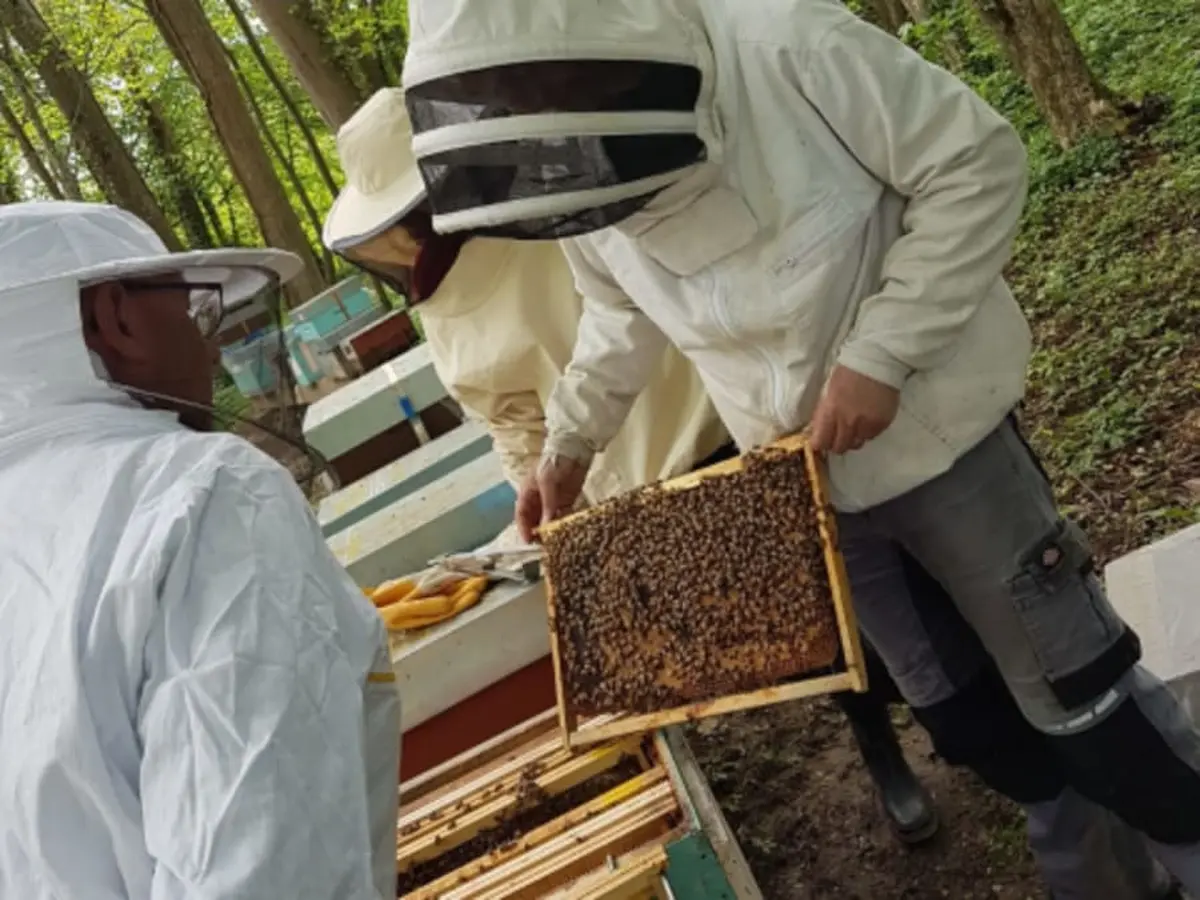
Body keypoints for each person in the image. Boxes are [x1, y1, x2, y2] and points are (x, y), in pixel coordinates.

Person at [396, 0, 1199, 897]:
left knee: (1080, 693)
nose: (531, 100)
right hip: (803, 484)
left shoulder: (788, 41)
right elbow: (620, 313)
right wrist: (571, 443)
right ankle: (1105, 878)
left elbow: (977, 162)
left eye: (538, 80)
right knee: (964, 717)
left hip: (945, 441)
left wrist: (881, 354)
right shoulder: (571, 163)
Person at [323, 87, 939, 844]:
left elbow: (643, 303)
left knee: (848, 582)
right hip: (619, 487)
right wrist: (535, 493)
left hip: (717, 423)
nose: (416, 229)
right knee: (786, 629)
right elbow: (507, 415)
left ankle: (945, 699)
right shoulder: (443, 310)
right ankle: (886, 744)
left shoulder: (557, 205)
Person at [0, 201, 401, 899]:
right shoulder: (205, 494)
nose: (211, 348)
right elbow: (266, 869)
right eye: (196, 313)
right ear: (116, 317)